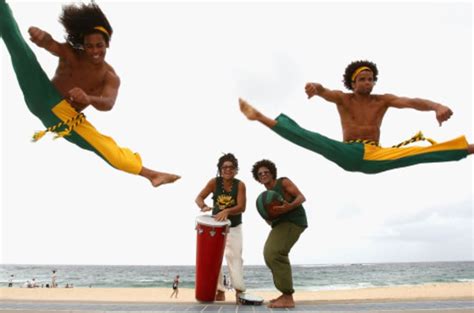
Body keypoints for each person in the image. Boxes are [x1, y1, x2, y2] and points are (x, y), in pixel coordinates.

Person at [0, 1, 180, 187]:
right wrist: (42, 38)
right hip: (42, 95)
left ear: (107, 44)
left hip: (63, 117)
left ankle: (151, 175)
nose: (95, 51)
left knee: (104, 146)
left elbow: (108, 103)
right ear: (83, 45)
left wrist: (89, 99)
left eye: (99, 46)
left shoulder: (110, 77)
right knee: (18, 48)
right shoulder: (72, 54)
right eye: (89, 46)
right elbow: (52, 44)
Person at [239, 60, 473, 174]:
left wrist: (437, 106)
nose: (367, 82)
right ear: (352, 83)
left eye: (371, 78)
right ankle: (259, 117)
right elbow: (324, 91)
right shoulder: (344, 98)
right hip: (349, 152)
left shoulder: (383, 100)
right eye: (362, 79)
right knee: (312, 139)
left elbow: (411, 102)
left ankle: (469, 148)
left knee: (419, 154)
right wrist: (315, 87)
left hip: (376, 155)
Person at [251, 159, 307, 308]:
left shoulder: (283, 182)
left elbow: (301, 197)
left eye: (266, 172)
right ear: (257, 178)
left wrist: (287, 208)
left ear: (272, 172)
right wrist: (269, 216)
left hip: (294, 220)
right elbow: (269, 220)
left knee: (275, 253)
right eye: (260, 173)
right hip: (280, 225)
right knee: (269, 255)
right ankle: (285, 293)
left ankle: (288, 296)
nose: (263, 174)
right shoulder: (264, 197)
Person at [195, 153, 247, 303]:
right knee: (212, 258)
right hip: (216, 227)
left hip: (234, 226)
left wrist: (227, 211)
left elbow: (242, 207)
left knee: (235, 257)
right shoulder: (214, 182)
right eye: (224, 167)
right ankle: (219, 290)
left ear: (236, 170)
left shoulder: (240, 185)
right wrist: (203, 206)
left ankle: (239, 291)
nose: (228, 170)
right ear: (220, 169)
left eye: (231, 167)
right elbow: (198, 198)